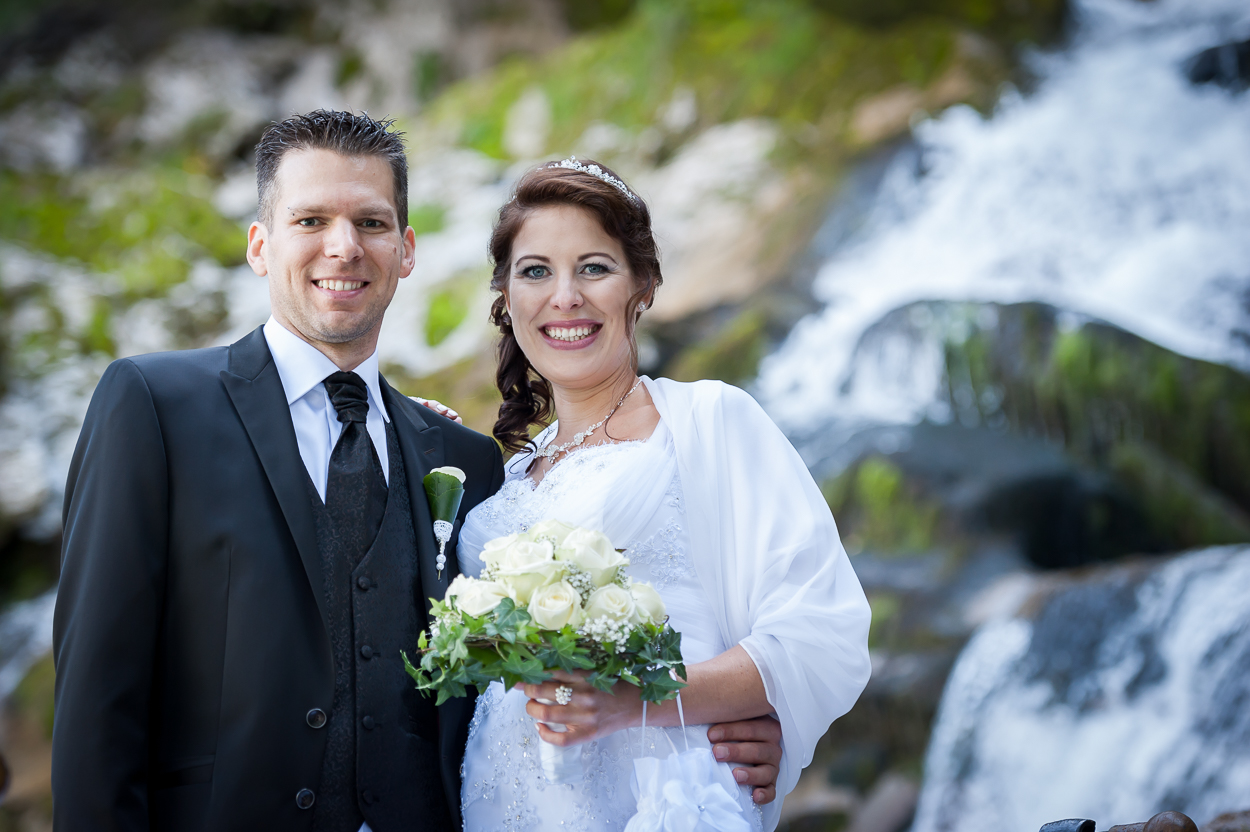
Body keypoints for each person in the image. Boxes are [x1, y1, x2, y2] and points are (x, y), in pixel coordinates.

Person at [50, 111, 782, 831]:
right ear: (259, 246)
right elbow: (96, 695)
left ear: (404, 250)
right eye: (310, 221)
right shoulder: (154, 404)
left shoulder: (459, 459)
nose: (343, 247)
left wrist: (710, 721)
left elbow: (501, 679)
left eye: (369, 223)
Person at [456, 159, 873, 831]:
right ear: (506, 295)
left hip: (659, 797)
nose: (564, 296)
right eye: (535, 271)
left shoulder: (707, 422)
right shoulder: (509, 474)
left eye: (594, 267)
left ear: (642, 286)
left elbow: (817, 630)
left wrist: (636, 701)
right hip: (501, 799)